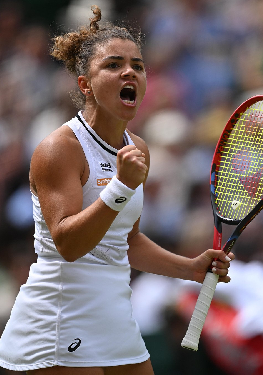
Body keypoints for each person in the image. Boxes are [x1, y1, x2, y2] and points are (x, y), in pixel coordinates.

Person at [0, 5, 234, 375]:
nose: (129, 72)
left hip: (113, 318)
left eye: (137, 65)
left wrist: (189, 268)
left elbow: (127, 241)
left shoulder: (137, 149)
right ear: (85, 84)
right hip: (59, 320)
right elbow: (69, 244)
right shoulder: (59, 149)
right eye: (113, 65)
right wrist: (121, 186)